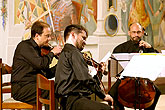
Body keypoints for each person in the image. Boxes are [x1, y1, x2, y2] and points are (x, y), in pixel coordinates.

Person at [54, 24, 113, 110]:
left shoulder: (65, 52)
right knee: (106, 109)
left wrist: (99, 72)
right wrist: (103, 96)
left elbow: (85, 82)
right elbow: (86, 79)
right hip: (72, 101)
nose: (85, 42)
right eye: (83, 38)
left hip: (67, 100)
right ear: (73, 35)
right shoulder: (74, 53)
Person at [109, 22, 161, 110]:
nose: (136, 35)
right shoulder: (121, 48)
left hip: (144, 80)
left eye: (138, 32)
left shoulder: (146, 47)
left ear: (142, 33)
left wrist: (150, 48)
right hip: (125, 80)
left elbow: (158, 60)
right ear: (129, 33)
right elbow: (112, 65)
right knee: (113, 93)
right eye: (133, 32)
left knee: (157, 92)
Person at [11, 21, 62, 108]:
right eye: (47, 36)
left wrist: (61, 65)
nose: (50, 38)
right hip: (22, 88)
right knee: (52, 90)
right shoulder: (24, 46)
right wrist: (52, 53)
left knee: (57, 87)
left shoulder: (39, 49)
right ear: (37, 36)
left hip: (34, 85)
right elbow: (41, 64)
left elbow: (46, 73)